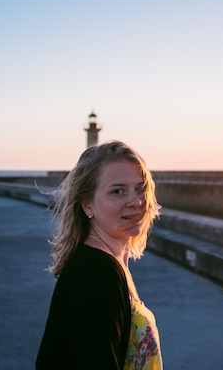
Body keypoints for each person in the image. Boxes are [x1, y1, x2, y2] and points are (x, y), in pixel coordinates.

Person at [36, 140, 163, 370]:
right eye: (118, 191)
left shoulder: (108, 261)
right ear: (88, 206)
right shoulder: (96, 273)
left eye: (141, 188)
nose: (136, 202)